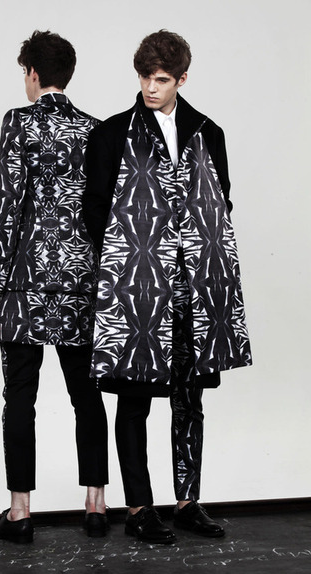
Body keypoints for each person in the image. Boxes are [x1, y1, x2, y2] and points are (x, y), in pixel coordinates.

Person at [82, 30, 252, 545]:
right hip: (137, 290)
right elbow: (94, 212)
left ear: (182, 79)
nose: (150, 88)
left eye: (160, 79)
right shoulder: (113, 133)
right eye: (144, 77)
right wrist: (134, 258)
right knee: (133, 399)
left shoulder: (207, 132)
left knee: (189, 399)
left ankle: (187, 502)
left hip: (193, 289)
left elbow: (222, 203)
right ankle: (139, 508)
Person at [0, 30, 109, 543]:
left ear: (33, 73)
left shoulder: (19, 121)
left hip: (25, 284)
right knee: (87, 395)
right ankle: (96, 505)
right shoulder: (95, 130)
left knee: (20, 397)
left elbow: (8, 207)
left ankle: (21, 512)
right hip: (81, 281)